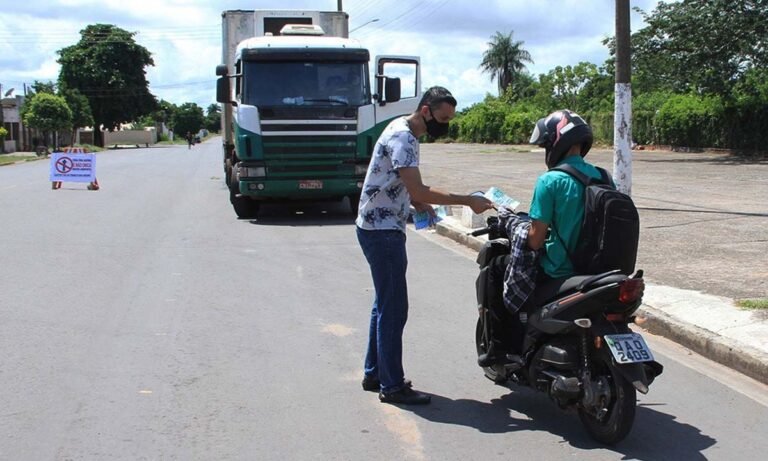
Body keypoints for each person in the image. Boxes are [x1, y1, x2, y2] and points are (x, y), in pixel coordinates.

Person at [356, 86, 494, 405]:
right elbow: (418, 187)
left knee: (383, 304)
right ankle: (391, 386)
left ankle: (374, 373)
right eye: (443, 118)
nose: (444, 126)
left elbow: (403, 185)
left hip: (376, 225)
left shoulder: (406, 133)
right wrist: (466, 200)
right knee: (394, 308)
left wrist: (416, 203)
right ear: (426, 111)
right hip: (382, 231)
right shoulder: (404, 138)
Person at [479, 109, 603, 366]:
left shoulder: (550, 181)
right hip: (595, 269)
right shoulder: (604, 177)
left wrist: (516, 225)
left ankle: (500, 348)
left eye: (546, 144)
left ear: (557, 143)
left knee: (496, 271)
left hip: (559, 270)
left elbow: (535, 241)